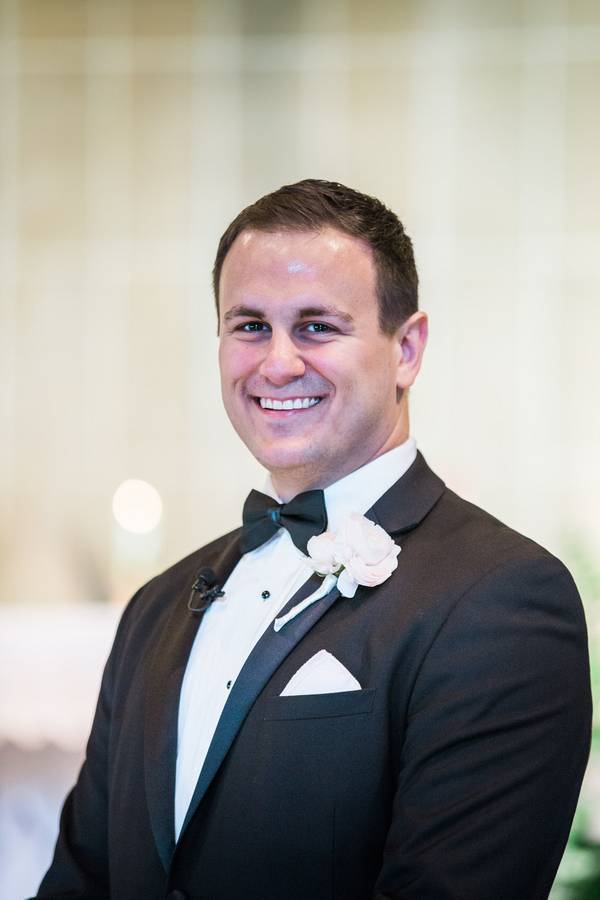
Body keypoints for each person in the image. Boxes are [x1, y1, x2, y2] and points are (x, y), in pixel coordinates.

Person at [35, 179, 591, 900]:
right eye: (249, 326)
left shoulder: (503, 599)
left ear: (407, 349)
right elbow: (82, 878)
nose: (277, 363)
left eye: (317, 327)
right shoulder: (156, 606)